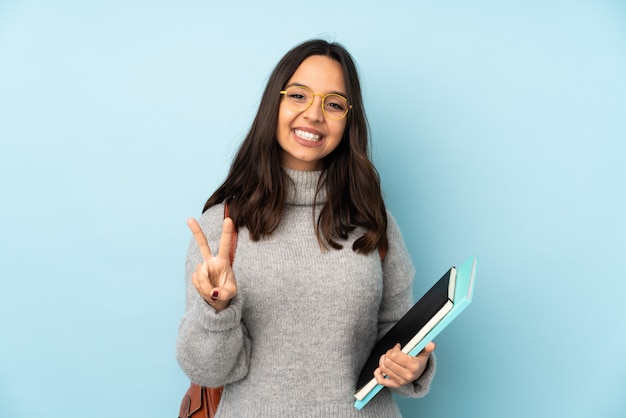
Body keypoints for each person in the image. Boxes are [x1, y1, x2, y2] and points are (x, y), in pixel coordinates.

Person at [176, 39, 436, 417]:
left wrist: (414, 365)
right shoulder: (222, 228)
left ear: (348, 121)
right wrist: (217, 309)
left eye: (333, 104)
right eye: (298, 95)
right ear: (274, 104)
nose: (314, 114)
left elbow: (398, 331)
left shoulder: (373, 220)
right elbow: (207, 371)